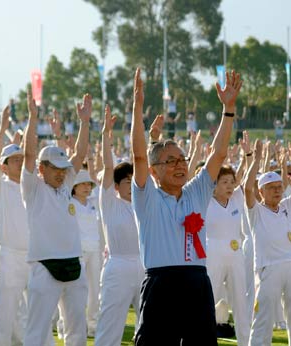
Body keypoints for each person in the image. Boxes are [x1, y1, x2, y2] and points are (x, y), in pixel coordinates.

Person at [131, 68, 242, 345]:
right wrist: (137, 108)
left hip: (196, 282)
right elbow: (138, 156)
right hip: (161, 285)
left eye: (182, 159)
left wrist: (228, 109)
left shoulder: (196, 192)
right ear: (155, 171)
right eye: (170, 161)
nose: (180, 165)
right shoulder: (148, 197)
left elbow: (218, 153)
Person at [21, 90, 91, 345]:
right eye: (56, 169)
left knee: (77, 332)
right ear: (42, 169)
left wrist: (84, 122)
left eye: (64, 169)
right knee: (37, 333)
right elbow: (29, 154)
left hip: (74, 265)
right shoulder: (32, 187)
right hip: (44, 266)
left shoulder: (65, 185)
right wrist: (32, 117)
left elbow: (80, 155)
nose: (62, 174)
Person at [245, 136, 291, 346]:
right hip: (268, 268)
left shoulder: (287, 205)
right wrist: (255, 160)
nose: (277, 190)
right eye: (271, 187)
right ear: (262, 191)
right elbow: (247, 189)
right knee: (263, 320)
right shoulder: (255, 211)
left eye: (279, 186)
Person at [95, 105, 144, 345]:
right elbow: (106, 166)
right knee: (110, 325)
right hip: (118, 265)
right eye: (126, 181)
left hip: (145, 265)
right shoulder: (109, 203)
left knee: (150, 326)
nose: (130, 185)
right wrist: (105, 135)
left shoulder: (143, 203)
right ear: (116, 186)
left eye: (133, 180)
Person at [0, 106, 30, 346]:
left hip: (33, 257)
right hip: (9, 258)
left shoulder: (30, 186)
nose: (20, 163)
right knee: (3, 315)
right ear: (4, 166)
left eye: (22, 159)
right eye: (15, 160)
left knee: (36, 315)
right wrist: (2, 129)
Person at [205, 165, 250, 346]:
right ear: (214, 185)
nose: (230, 186)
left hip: (236, 255)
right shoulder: (205, 201)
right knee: (208, 302)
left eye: (232, 182)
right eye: (224, 182)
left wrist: (249, 157)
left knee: (240, 302)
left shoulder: (237, 199)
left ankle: (245, 342)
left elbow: (246, 176)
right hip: (212, 254)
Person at [71, 169, 102, 337]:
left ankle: (92, 324)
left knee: (94, 288)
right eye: (82, 184)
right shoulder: (68, 202)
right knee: (77, 289)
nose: (86, 187)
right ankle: (68, 324)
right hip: (77, 251)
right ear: (74, 186)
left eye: (88, 184)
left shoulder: (93, 202)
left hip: (94, 249)